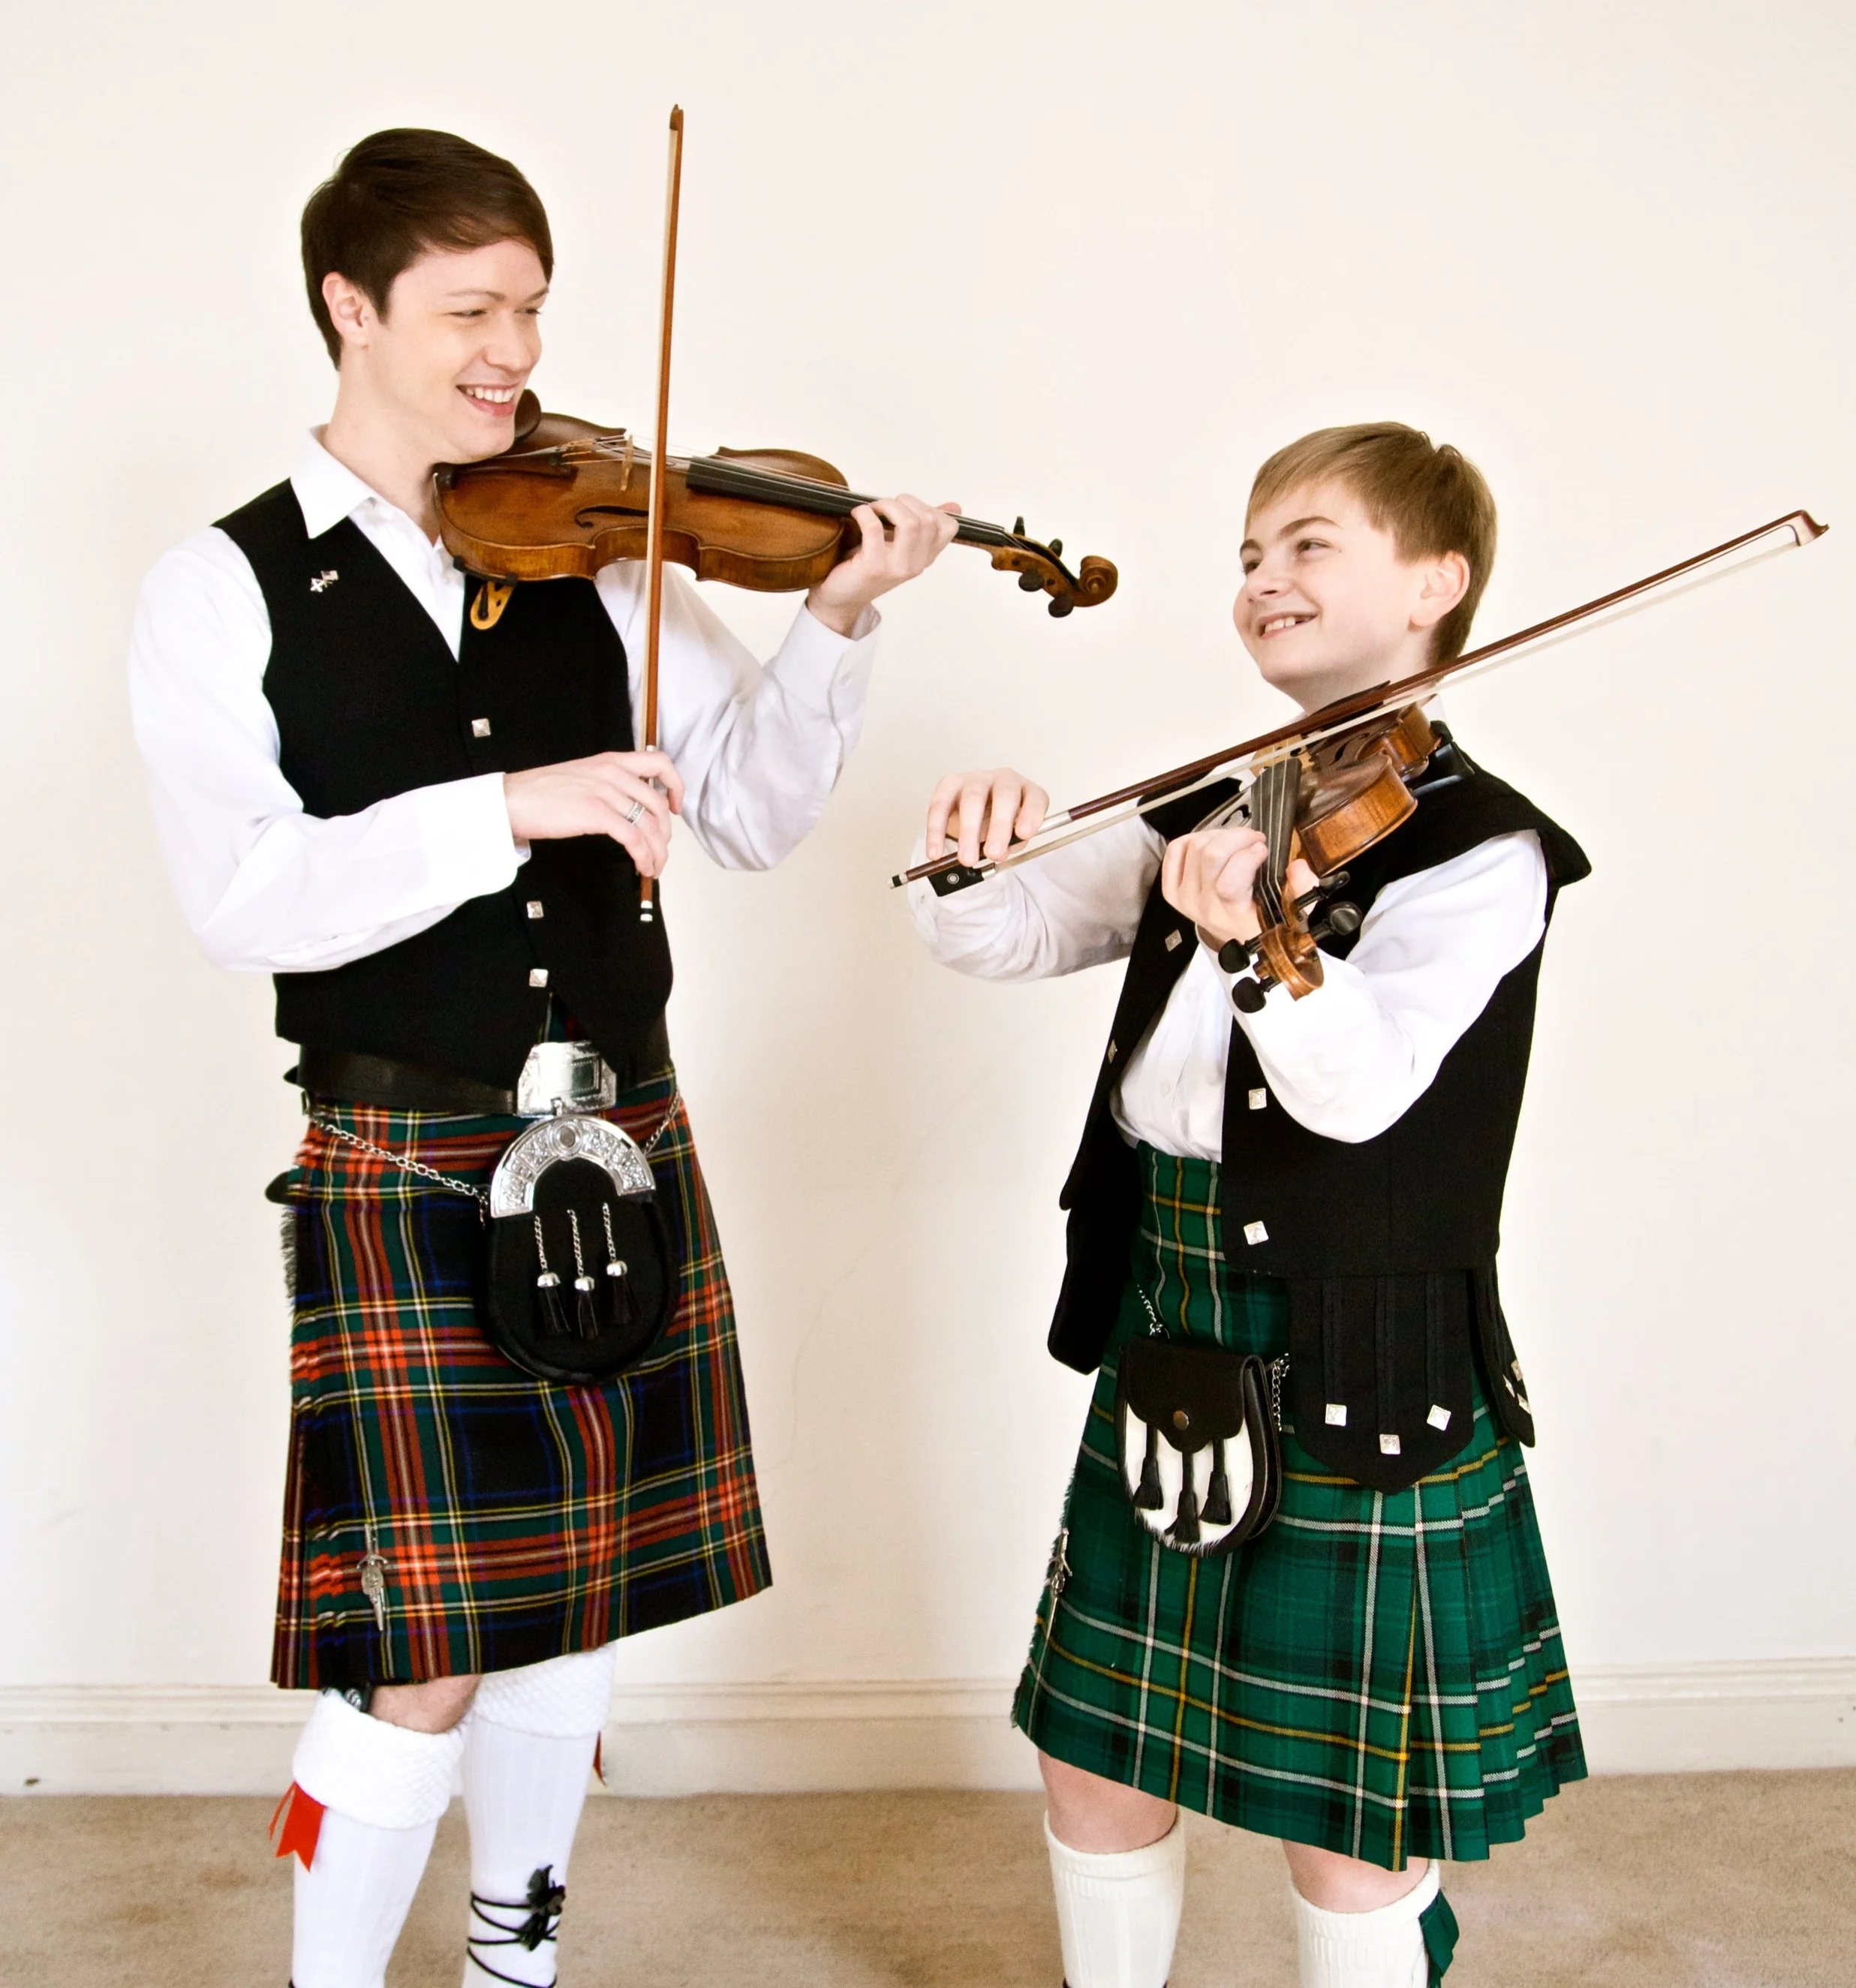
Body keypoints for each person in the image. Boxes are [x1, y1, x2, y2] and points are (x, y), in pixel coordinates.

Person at [129, 127, 958, 1988]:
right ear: (351, 307)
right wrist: (505, 803)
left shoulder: (590, 533)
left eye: (534, 309)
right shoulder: (222, 588)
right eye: (472, 311)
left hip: (621, 1132)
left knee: (571, 1613)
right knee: (409, 1645)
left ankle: (519, 1948)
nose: (515, 354)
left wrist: (831, 620)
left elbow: (741, 815)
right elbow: (245, 894)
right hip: (406, 1149)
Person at [910, 423, 1590, 1988]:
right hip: (1174, 1310)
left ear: (1437, 582)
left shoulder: (1486, 854)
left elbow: (1359, 1091)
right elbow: (1006, 939)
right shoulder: (1221, 807)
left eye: (1310, 544)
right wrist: (974, 855)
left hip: (1357, 1350)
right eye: (1248, 553)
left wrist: (1259, 945)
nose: (1264, 577)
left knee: (1347, 1824)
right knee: (1095, 1749)